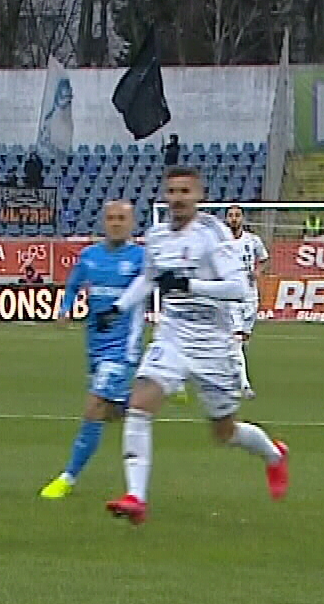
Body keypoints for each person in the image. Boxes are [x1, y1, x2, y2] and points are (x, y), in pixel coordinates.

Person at [103, 166, 289, 524]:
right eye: (172, 191)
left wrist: (190, 286)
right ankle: (136, 497)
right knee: (140, 403)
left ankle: (274, 455)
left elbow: (237, 289)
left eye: (184, 191)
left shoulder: (213, 235)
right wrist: (118, 307)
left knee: (224, 432)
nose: (177, 198)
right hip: (172, 334)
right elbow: (149, 279)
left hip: (212, 343)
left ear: (198, 196)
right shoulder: (157, 236)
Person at [40, 201, 146, 499]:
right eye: (111, 218)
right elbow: (73, 286)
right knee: (113, 411)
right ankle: (150, 396)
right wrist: (65, 309)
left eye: (121, 218)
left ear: (131, 222)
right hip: (95, 346)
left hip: (123, 348)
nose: (115, 223)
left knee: (94, 407)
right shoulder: (89, 256)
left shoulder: (141, 258)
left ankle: (67, 477)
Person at [223, 204, 269, 398]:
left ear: (242, 218)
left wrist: (257, 272)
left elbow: (264, 258)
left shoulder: (252, 240)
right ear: (226, 219)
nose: (234, 218)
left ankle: (232, 367)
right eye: (231, 215)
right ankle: (243, 384)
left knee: (243, 341)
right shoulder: (221, 241)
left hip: (250, 296)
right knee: (236, 339)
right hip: (231, 296)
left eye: (237, 215)